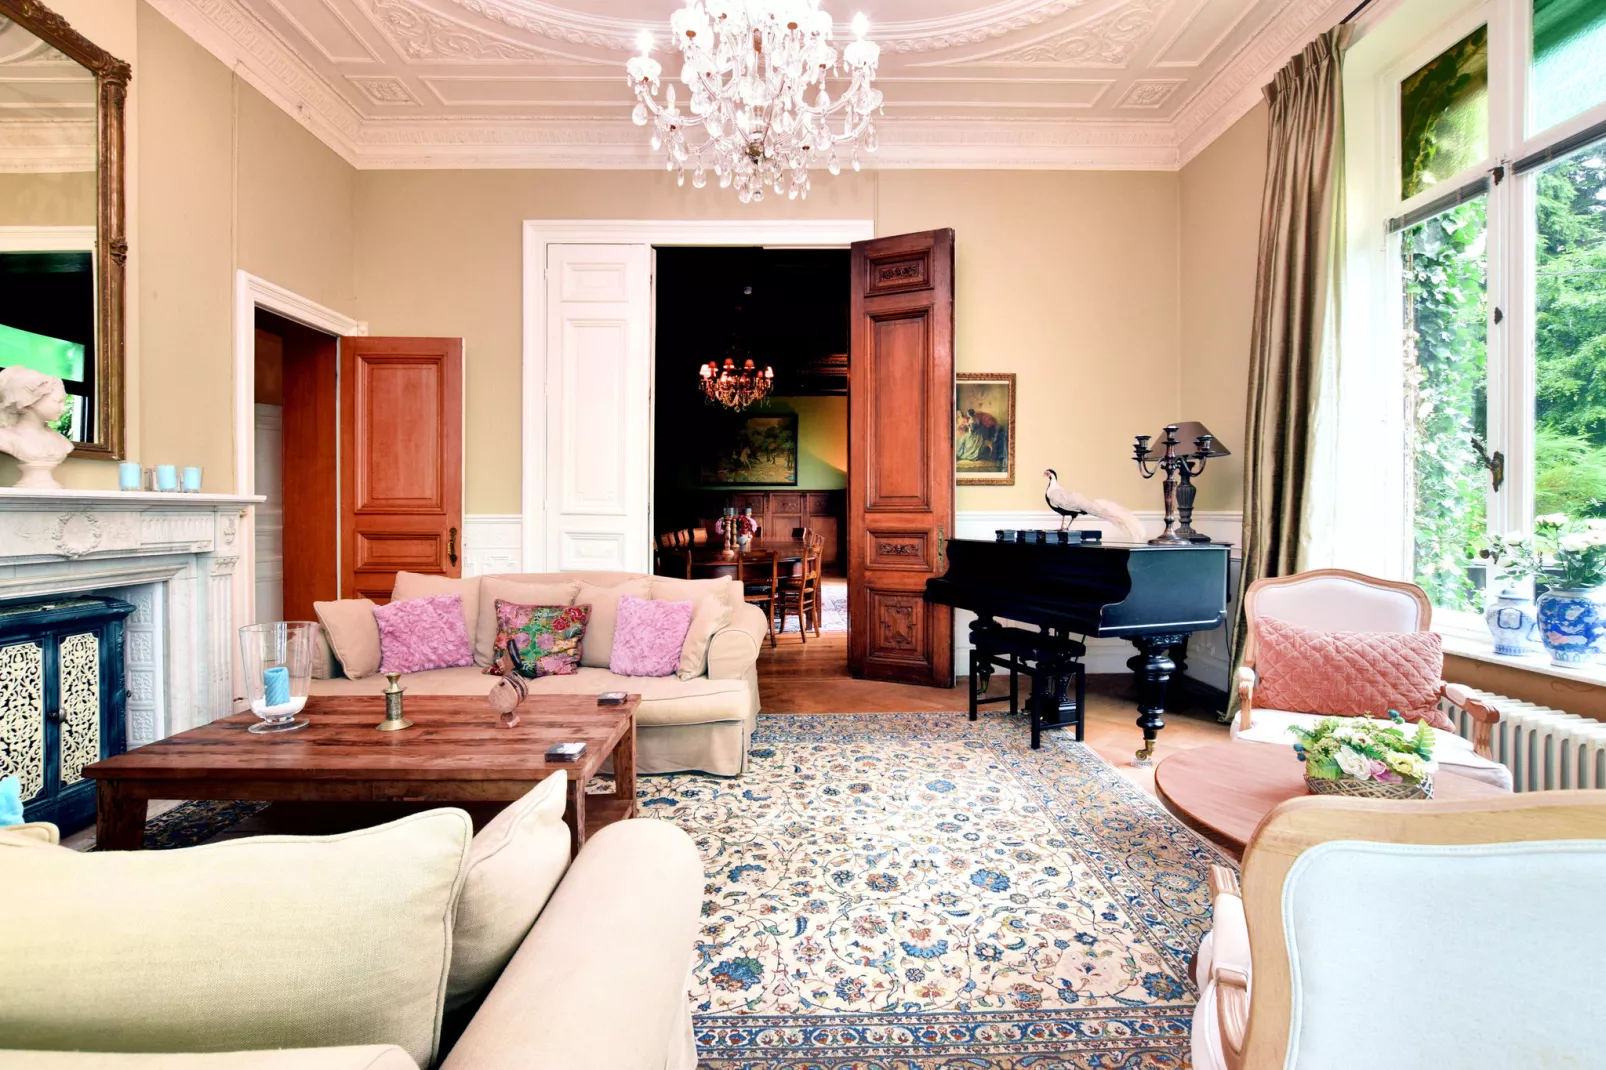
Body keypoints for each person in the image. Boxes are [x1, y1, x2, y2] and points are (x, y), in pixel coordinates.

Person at [0, 365, 73, 488]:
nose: (63, 408)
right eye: (58, 401)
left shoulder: (63, 443)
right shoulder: (5, 438)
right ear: (32, 400)